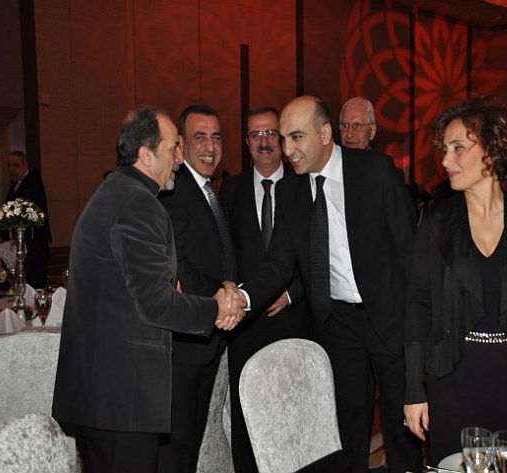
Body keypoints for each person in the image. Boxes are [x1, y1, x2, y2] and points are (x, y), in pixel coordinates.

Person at [52, 106, 245, 473]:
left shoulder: (117, 191)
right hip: (121, 397)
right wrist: (217, 308)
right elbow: (156, 303)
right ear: (146, 154)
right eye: (173, 148)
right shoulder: (138, 204)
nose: (179, 158)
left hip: (105, 395)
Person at [241, 95, 421, 473]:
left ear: (324, 134)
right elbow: (278, 265)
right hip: (338, 324)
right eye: (283, 139)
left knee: (400, 425)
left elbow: (410, 253)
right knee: (348, 427)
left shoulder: (376, 172)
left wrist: (417, 324)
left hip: (389, 317)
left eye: (296, 137)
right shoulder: (290, 191)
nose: (287, 150)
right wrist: (242, 298)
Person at [404, 96, 507, 464]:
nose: (446, 160)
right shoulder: (437, 222)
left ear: (492, 150)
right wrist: (414, 390)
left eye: (457, 148)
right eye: (444, 150)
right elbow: (417, 304)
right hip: (455, 380)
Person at [220, 106, 312, 473]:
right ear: (246, 143)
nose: (264, 141)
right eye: (255, 135)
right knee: (248, 414)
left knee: (295, 411)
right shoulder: (232, 190)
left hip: (295, 319)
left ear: (283, 140)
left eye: (271, 133)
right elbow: (226, 252)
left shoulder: (305, 185)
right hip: (246, 326)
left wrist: (292, 293)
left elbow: (319, 253)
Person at [157, 104, 236, 473]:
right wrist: (223, 295)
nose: (210, 146)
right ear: (181, 145)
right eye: (199, 137)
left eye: (216, 137)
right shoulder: (174, 190)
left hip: (205, 344)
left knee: (189, 448)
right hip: (183, 350)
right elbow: (178, 265)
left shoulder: (210, 191)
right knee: (176, 452)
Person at [3, 150, 51, 288]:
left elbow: (31, 213)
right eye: (9, 165)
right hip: (23, 244)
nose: (12, 169)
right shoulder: (16, 184)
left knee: (34, 284)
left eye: (16, 165)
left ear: (25, 165)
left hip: (33, 244)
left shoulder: (32, 183)